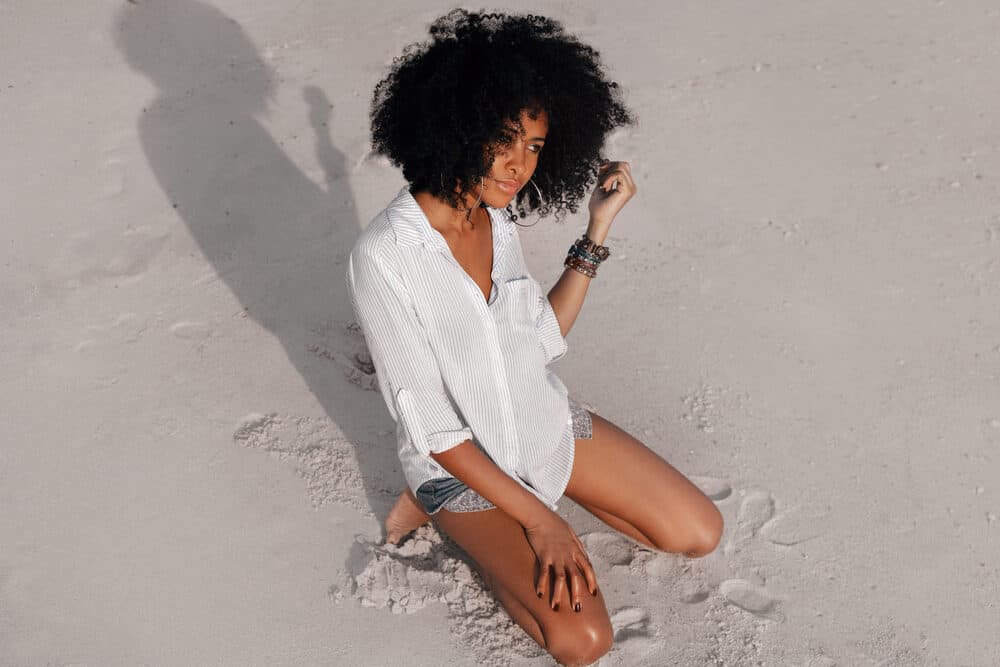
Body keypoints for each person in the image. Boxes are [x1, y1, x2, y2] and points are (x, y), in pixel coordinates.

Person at [346, 10, 723, 666]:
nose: (520, 164)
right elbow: (437, 431)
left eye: (537, 146)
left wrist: (595, 231)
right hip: (462, 472)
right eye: (505, 139)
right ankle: (459, 525)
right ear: (456, 124)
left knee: (699, 531)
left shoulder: (496, 219)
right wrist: (543, 522)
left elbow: (538, 337)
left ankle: (537, 504)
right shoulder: (384, 255)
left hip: (543, 423)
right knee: (583, 640)